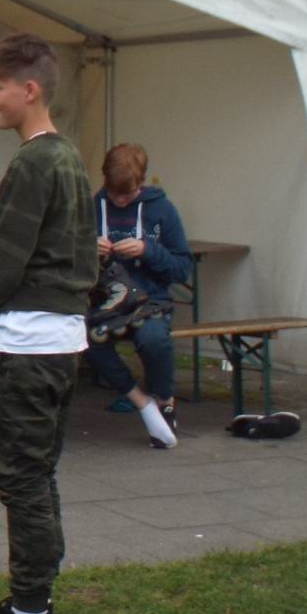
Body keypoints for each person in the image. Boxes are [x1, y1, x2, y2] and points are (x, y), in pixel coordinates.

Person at [0, 34, 96, 614]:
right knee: (35, 474)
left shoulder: (36, 163)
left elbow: (5, 256)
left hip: (29, 340)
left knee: (21, 477)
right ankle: (32, 601)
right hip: (58, 337)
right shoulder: (67, 157)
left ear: (29, 90)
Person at [89, 143, 192, 450]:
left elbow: (182, 268)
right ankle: (141, 401)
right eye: (114, 194)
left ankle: (164, 401)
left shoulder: (162, 210)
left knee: (154, 339)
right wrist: (88, 249)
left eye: (128, 195)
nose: (120, 201)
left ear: (142, 183)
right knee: (83, 338)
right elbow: (68, 257)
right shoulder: (93, 207)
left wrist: (148, 250)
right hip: (105, 302)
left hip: (150, 301)